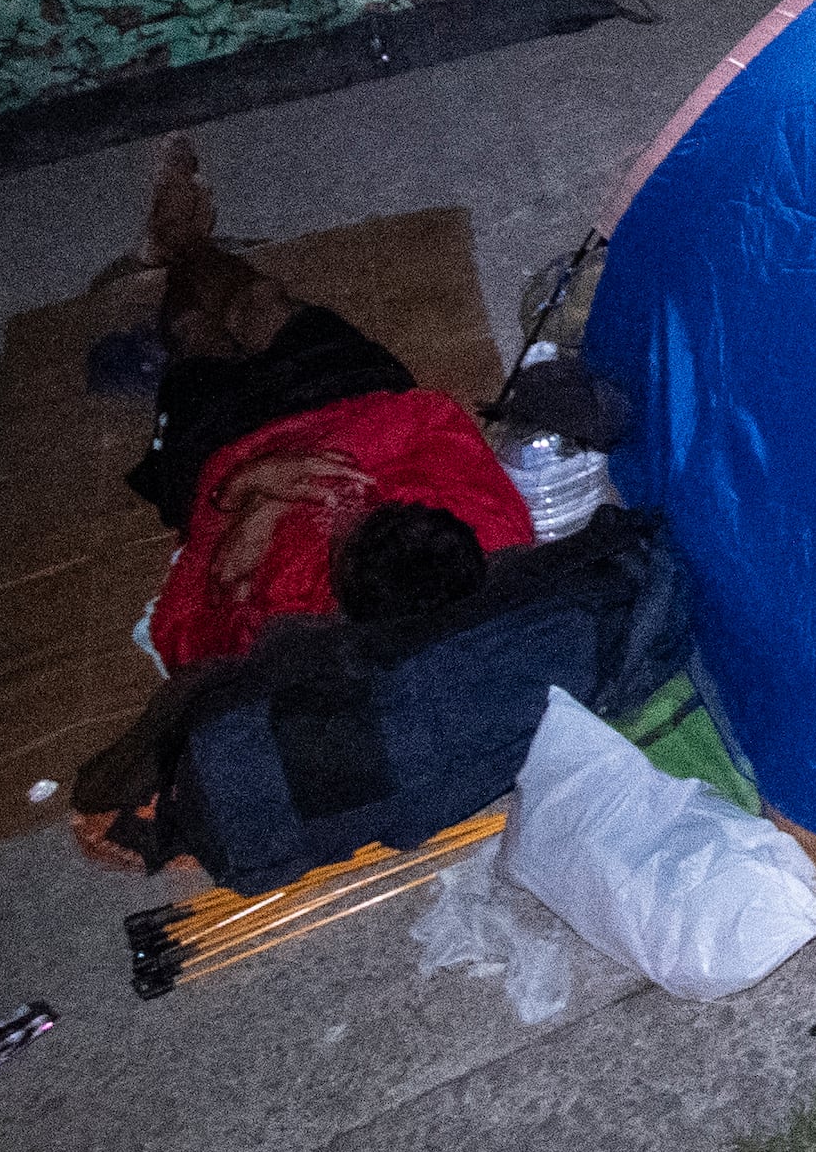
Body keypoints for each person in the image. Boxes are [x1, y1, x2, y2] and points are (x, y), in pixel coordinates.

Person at [65, 139, 534, 865]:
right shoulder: (490, 529)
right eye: (375, 510)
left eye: (346, 533)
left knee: (198, 335)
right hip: (347, 390)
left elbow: (179, 631)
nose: (352, 508)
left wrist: (248, 494)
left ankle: (181, 254)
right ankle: (194, 249)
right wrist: (324, 462)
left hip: (225, 442)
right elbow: (432, 416)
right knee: (264, 303)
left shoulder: (288, 622)